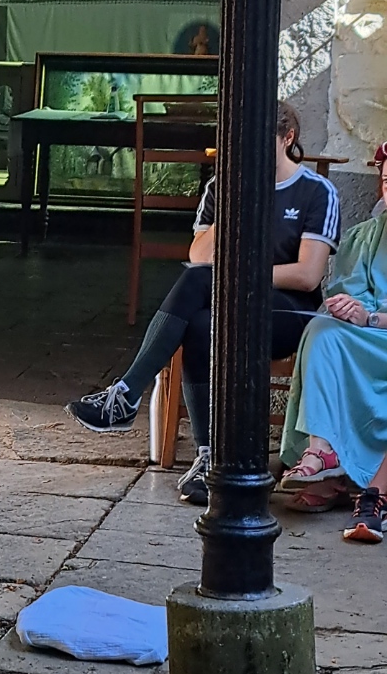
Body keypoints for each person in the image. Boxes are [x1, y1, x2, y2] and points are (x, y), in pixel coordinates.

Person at [67, 101, 339, 506]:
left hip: (286, 313)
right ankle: (209, 456)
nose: (248, 152)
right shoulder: (222, 187)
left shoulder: (316, 191)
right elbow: (199, 255)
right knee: (198, 324)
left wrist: (238, 276)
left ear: (288, 138)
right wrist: (236, 200)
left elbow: (307, 275)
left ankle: (126, 394)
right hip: (229, 304)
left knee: (200, 285)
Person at [280, 142, 387, 542]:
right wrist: (348, 308)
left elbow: (368, 315)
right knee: (322, 331)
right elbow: (348, 293)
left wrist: (371, 318)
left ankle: (354, 484)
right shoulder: (364, 236)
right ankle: (322, 451)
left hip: (380, 331)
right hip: (365, 338)